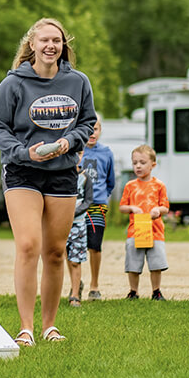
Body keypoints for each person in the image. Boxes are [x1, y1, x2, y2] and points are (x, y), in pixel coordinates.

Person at [0, 18, 96, 346]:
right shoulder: (13, 84)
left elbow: (88, 121)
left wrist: (69, 142)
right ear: (32, 45)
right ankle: (26, 328)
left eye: (57, 41)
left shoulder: (77, 81)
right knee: (28, 245)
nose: (51, 46)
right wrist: (24, 153)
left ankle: (50, 326)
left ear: (64, 46)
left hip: (63, 171)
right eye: (45, 40)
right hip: (23, 171)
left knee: (54, 252)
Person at [118, 145, 169, 300]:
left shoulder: (159, 185)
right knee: (133, 263)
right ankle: (133, 291)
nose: (138, 166)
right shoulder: (130, 186)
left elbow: (165, 207)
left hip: (155, 231)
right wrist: (132, 208)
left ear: (153, 164)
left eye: (142, 162)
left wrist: (158, 210)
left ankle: (156, 291)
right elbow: (122, 207)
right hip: (135, 231)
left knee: (156, 264)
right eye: (135, 163)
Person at [79, 114, 115, 300]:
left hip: (97, 205)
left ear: (100, 130)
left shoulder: (106, 152)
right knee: (74, 245)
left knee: (95, 245)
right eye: (89, 129)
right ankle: (76, 283)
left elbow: (110, 181)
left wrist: (101, 197)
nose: (92, 133)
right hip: (76, 206)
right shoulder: (77, 151)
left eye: (96, 128)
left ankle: (94, 285)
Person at [65, 160, 93, 307]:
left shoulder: (86, 177)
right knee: (63, 258)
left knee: (76, 260)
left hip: (78, 224)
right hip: (61, 224)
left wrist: (72, 213)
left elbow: (88, 201)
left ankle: (75, 296)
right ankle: (71, 287)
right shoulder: (60, 175)